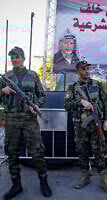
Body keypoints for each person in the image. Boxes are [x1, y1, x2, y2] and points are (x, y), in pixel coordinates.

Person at [0, 47, 52, 199]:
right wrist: (3, 91)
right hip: (11, 120)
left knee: (37, 152)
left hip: (29, 120)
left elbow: (42, 96)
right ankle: (16, 185)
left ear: (23, 58)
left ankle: (43, 182)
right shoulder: (5, 77)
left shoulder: (33, 76)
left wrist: (35, 105)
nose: (14, 60)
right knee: (12, 152)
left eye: (17, 57)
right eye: (12, 58)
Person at [64, 60, 107, 193]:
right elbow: (67, 106)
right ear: (78, 71)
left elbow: (106, 103)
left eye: (87, 68)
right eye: (83, 69)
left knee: (99, 152)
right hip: (80, 125)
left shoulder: (97, 85)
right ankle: (85, 175)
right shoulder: (73, 87)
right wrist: (80, 102)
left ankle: (104, 179)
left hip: (96, 123)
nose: (86, 71)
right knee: (82, 151)